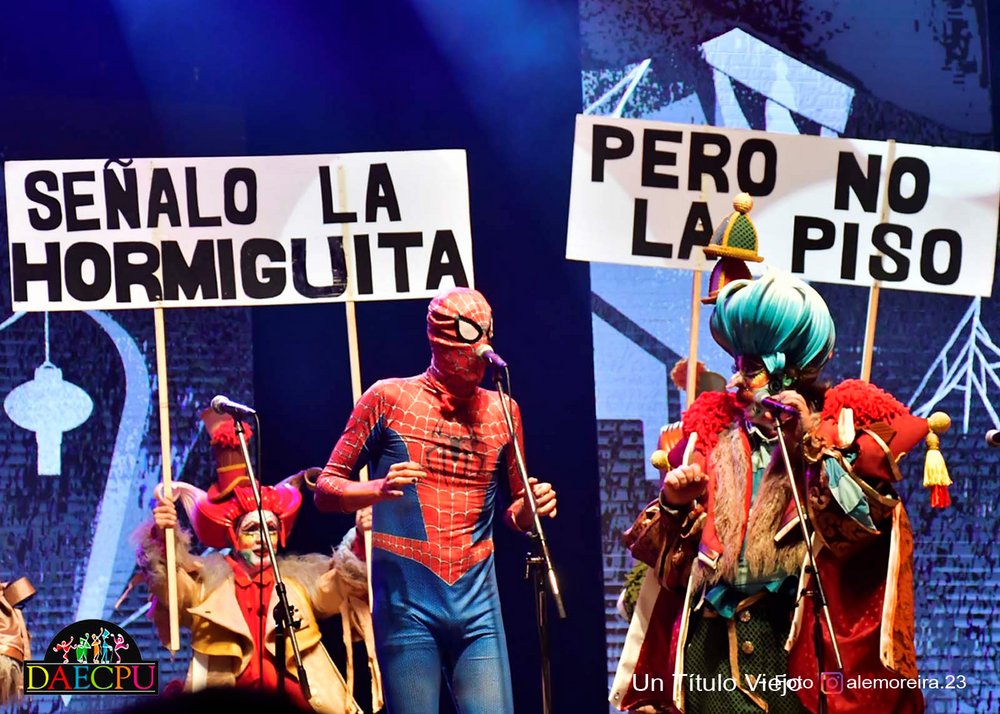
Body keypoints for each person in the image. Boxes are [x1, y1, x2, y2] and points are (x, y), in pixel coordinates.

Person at [611, 270, 940, 714]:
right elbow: (664, 566)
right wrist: (673, 504)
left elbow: (859, 532)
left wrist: (809, 446)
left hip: (792, 650)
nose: (736, 381)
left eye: (752, 369)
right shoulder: (708, 440)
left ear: (788, 371)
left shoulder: (837, 440)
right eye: (737, 366)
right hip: (711, 656)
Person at [314, 287, 557, 714]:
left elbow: (516, 513)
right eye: (469, 337)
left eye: (486, 334)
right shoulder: (388, 398)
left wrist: (531, 508)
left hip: (478, 602)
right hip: (406, 600)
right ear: (439, 340)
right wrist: (377, 490)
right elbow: (325, 489)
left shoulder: (504, 410)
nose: (480, 351)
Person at [137, 409, 382, 714]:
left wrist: (360, 538)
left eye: (271, 529)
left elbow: (337, 587)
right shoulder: (207, 585)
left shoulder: (295, 582)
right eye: (252, 529)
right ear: (234, 536)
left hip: (296, 703)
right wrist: (163, 539)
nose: (263, 538)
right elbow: (172, 590)